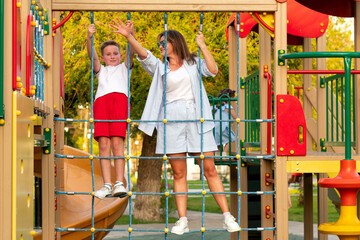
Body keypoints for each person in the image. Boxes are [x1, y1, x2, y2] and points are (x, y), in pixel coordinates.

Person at [110, 18, 240, 234]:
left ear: (175, 43)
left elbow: (213, 70)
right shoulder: (160, 68)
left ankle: (227, 216)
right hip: (171, 120)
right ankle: (182, 220)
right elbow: (144, 55)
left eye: (164, 42)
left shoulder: (193, 63)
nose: (160, 46)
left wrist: (203, 45)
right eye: (159, 43)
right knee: (179, 173)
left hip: (196, 117)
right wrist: (129, 37)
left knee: (210, 170)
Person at [86, 21, 134, 199]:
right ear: (104, 57)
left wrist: (131, 34)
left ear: (120, 56)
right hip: (102, 104)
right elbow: (93, 57)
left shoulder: (125, 68)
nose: (112, 56)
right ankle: (106, 185)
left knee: (117, 143)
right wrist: (89, 38)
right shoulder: (101, 71)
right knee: (104, 144)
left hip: (119, 102)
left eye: (115, 53)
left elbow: (132, 51)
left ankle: (119, 183)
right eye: (108, 54)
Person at [214, 88, 237, 154]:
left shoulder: (216, 107)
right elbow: (235, 117)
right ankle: (224, 153)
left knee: (219, 141)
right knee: (230, 139)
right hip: (223, 127)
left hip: (215, 128)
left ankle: (217, 153)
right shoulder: (228, 107)